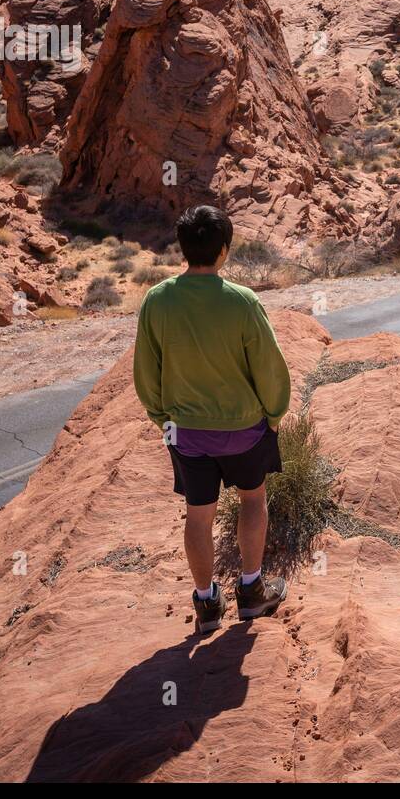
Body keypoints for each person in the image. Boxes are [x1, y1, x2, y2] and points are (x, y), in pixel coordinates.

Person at [133, 205, 291, 633]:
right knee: (253, 499)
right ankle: (252, 591)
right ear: (224, 250)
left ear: (183, 248)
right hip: (244, 430)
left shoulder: (157, 300)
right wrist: (273, 416)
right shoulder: (242, 302)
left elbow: (147, 371)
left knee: (198, 515)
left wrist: (162, 419)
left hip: (186, 434)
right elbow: (269, 368)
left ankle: (206, 604)